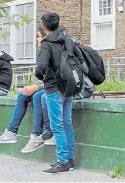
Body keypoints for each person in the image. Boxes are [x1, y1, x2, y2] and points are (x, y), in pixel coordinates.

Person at [0, 26, 55, 152]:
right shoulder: (44, 52)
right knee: (22, 96)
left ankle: (38, 134)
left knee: (37, 96)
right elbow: (45, 76)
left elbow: (56, 78)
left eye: (38, 36)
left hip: (54, 87)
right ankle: (11, 132)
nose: (36, 39)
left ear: (45, 37)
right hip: (46, 85)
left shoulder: (52, 51)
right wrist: (33, 86)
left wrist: (37, 87)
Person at [35, 12, 85, 174]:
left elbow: (41, 66)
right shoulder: (67, 41)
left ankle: (62, 161)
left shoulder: (46, 44)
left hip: (53, 89)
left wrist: (41, 77)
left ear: (44, 27)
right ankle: (69, 160)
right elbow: (80, 59)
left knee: (57, 126)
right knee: (67, 124)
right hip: (68, 87)